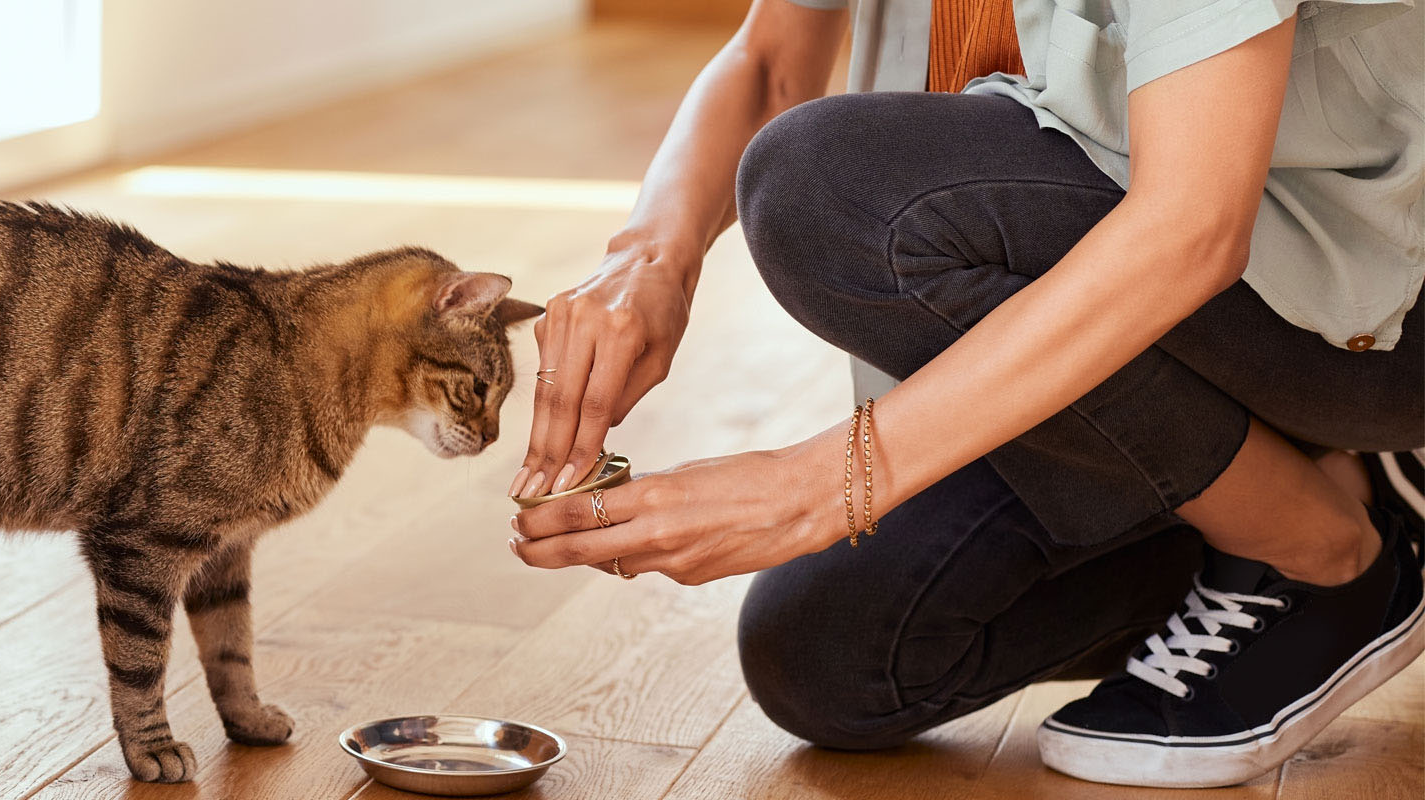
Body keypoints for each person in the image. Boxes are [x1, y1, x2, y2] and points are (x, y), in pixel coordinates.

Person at [502, 0, 1425, 788]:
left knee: (827, 186)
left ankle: (1326, 549)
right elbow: (774, 57)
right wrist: (650, 259)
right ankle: (1304, 483)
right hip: (1138, 294)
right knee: (828, 657)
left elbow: (1193, 227)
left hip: (1360, 306)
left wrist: (817, 487)